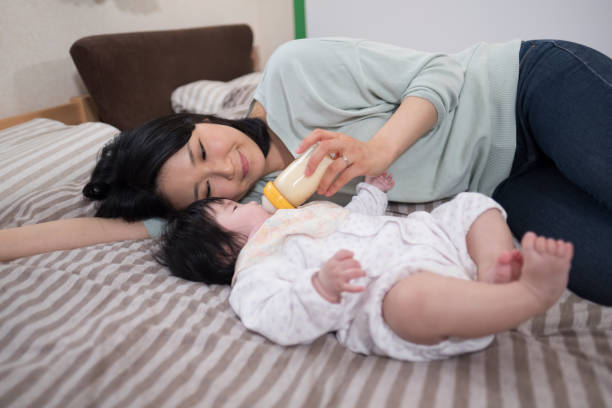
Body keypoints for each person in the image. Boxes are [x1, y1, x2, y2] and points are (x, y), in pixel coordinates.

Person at [0, 38, 609, 305]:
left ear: (192, 120)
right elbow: (126, 233)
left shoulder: (294, 70)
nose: (224, 166)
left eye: (199, 149)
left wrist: (377, 153)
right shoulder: (269, 205)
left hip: (524, 88)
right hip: (501, 183)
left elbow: (444, 72)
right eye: (208, 188)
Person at [156, 173, 573, 361]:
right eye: (231, 207)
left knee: (471, 206)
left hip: (424, 239)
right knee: (407, 303)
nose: (247, 201)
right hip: (381, 287)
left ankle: (489, 272)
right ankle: (525, 295)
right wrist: (319, 288)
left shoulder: (300, 214)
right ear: (226, 250)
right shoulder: (255, 267)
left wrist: (372, 192)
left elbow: (355, 218)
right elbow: (274, 314)